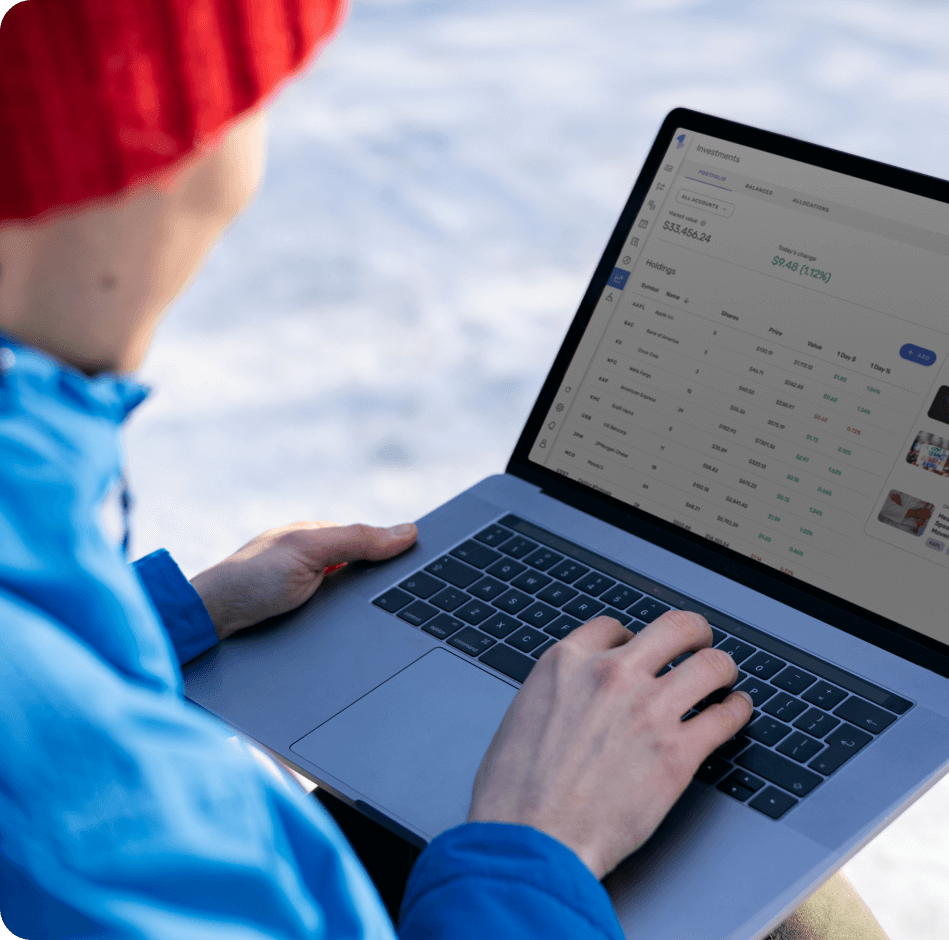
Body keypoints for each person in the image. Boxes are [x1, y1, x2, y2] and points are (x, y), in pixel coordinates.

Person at [0, 2, 889, 937]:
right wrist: (539, 843)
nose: (242, 173)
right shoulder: (70, 840)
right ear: (102, 164)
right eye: (235, 111)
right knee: (801, 912)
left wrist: (175, 617)